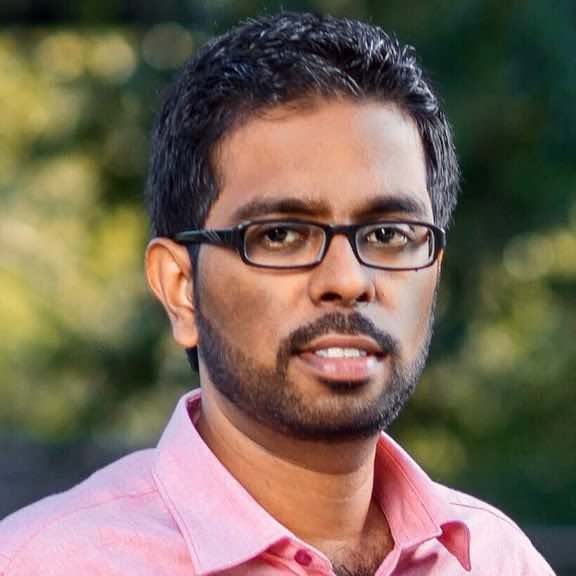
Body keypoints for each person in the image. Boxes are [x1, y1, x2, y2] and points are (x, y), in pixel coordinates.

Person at [0, 12, 555, 576]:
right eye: (281, 236)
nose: (348, 280)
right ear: (181, 288)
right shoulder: (45, 563)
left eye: (389, 235)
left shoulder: (496, 560)